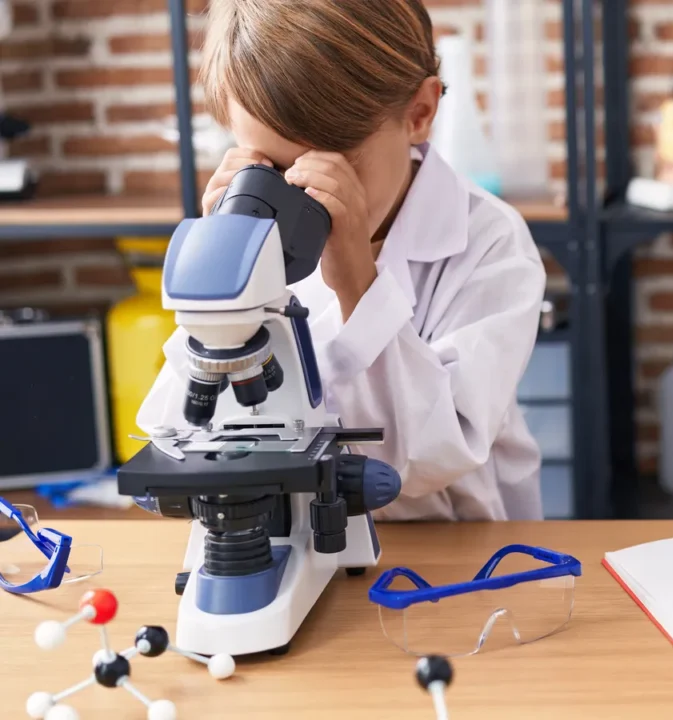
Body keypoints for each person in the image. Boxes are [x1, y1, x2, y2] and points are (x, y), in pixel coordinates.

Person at [136, 0, 546, 521]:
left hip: (454, 542)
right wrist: (222, 269)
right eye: (271, 165)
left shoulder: (489, 241)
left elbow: (436, 455)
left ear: (419, 114)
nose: (299, 195)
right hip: (298, 531)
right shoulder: (260, 237)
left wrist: (359, 283)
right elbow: (175, 430)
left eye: (329, 165)